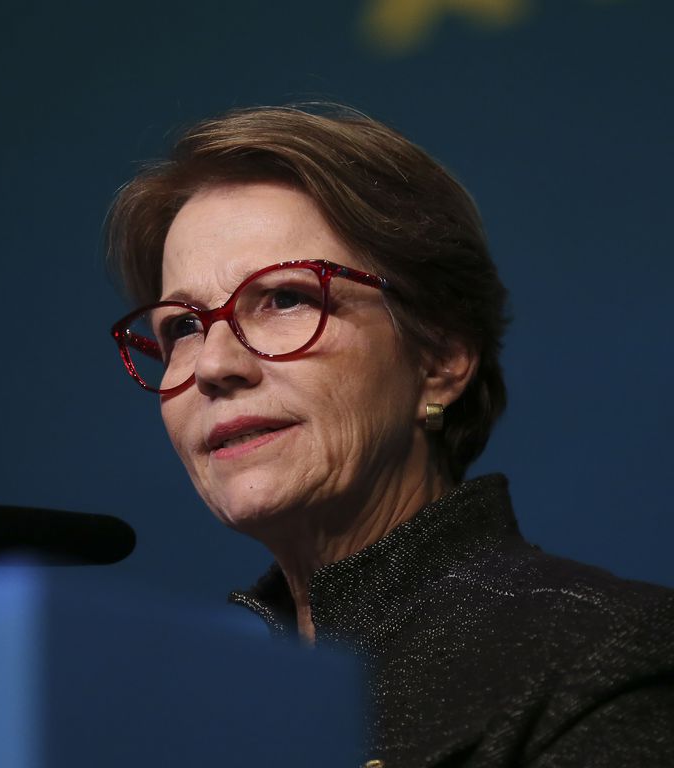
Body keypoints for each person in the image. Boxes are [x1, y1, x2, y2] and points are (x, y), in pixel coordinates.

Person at [105, 106, 674, 767]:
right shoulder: (170, 726)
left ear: (440, 359)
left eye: (286, 299)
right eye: (181, 327)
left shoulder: (604, 656)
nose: (214, 365)